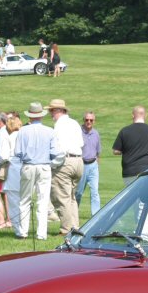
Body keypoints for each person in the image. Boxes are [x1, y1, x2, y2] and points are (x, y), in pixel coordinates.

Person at [12, 101, 63, 240]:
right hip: (44, 166)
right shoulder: (49, 131)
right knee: (43, 200)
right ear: (41, 115)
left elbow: (17, 152)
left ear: (30, 116)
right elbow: (56, 152)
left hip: (28, 165)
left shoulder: (22, 131)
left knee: (24, 200)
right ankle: (41, 234)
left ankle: (23, 232)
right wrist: (50, 163)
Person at [47, 99, 84, 235]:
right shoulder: (74, 123)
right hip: (78, 161)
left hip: (65, 161)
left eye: (51, 110)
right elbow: (81, 143)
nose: (50, 113)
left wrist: (52, 165)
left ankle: (66, 229)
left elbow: (60, 150)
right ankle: (75, 227)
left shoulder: (59, 125)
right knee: (71, 197)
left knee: (62, 197)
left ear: (58, 111)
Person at [112, 105, 148, 186]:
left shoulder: (124, 131)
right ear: (145, 116)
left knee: (133, 194)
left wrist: (127, 150)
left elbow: (116, 151)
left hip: (129, 172)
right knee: (147, 193)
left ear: (133, 115)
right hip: (147, 172)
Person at [76, 111, 102, 215]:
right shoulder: (78, 133)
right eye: (87, 120)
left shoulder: (96, 133)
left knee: (95, 192)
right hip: (82, 165)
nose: (89, 122)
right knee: (78, 193)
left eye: (91, 120)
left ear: (94, 121)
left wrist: (97, 165)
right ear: (84, 120)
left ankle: (95, 216)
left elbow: (98, 152)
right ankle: (74, 215)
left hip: (93, 165)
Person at [3, 114, 23, 232]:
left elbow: (3, 156)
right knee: (23, 201)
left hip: (12, 170)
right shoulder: (24, 136)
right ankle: (24, 226)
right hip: (24, 169)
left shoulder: (8, 137)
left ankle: (18, 229)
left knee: (13, 201)